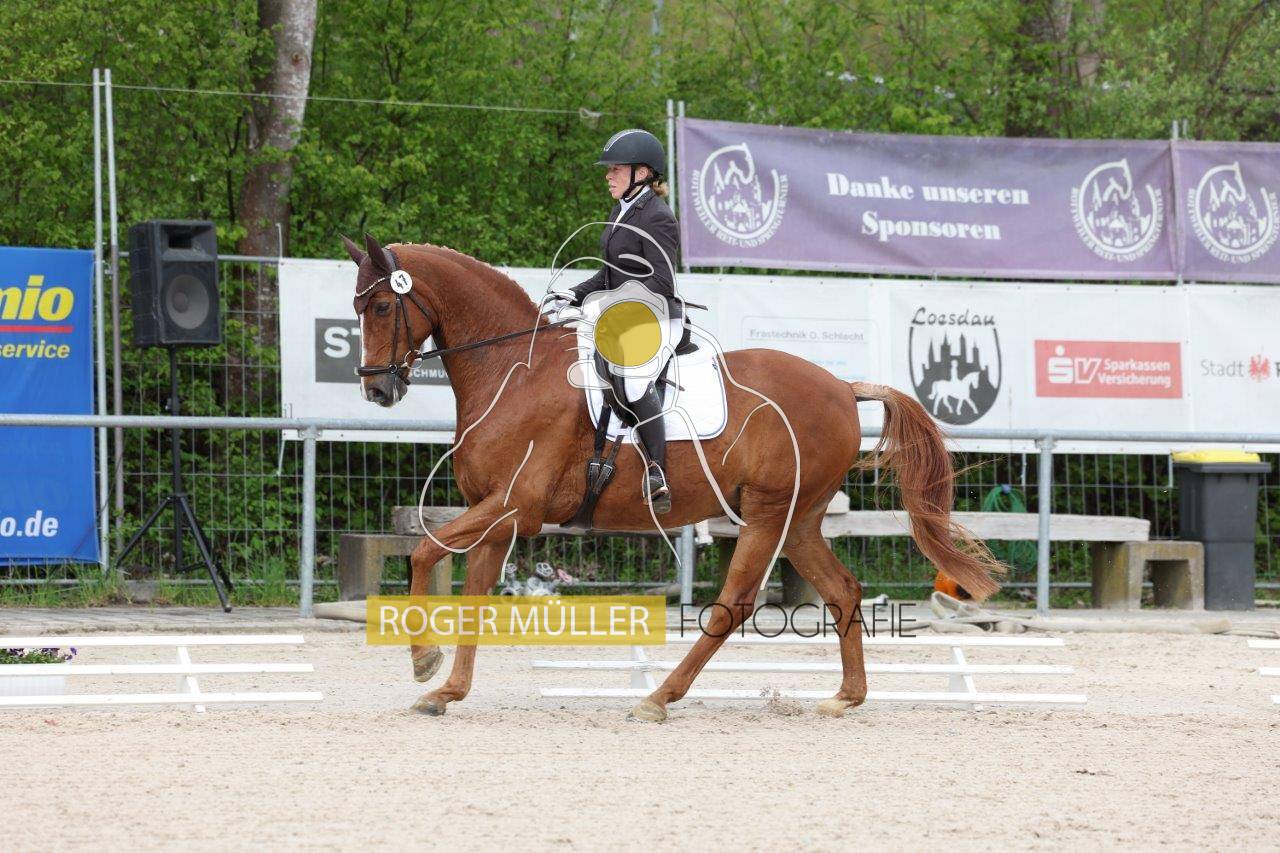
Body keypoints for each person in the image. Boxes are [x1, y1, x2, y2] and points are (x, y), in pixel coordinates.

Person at [556, 128, 683, 514]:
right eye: (608, 169)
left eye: (615, 169)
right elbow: (607, 274)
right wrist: (573, 294)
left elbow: (662, 282)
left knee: (633, 377)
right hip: (624, 317)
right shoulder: (621, 211)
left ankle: (657, 472)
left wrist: (611, 302)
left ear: (641, 173)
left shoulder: (658, 218)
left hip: (655, 317)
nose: (608, 176)